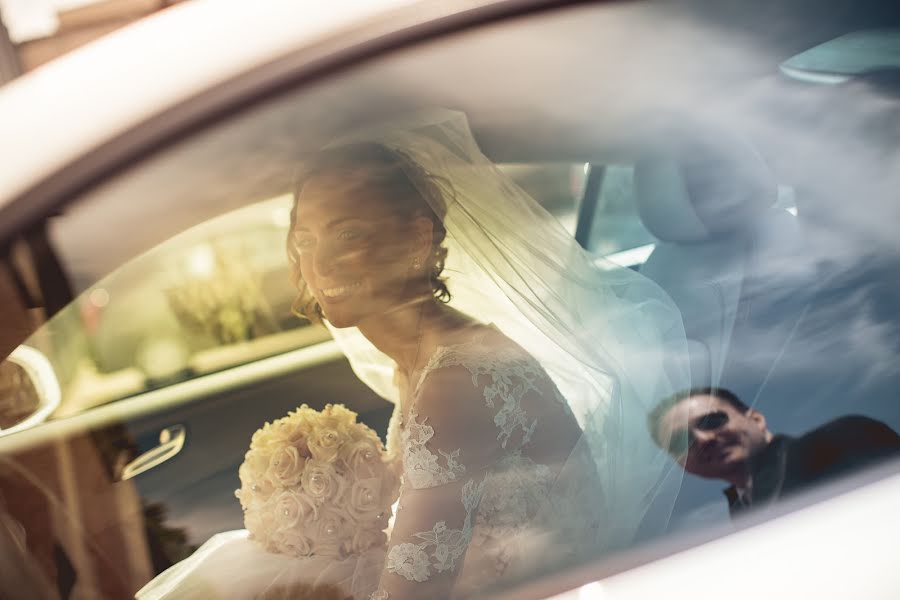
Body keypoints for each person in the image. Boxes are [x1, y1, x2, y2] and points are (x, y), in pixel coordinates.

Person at [141, 108, 691, 600]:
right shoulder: (427, 358)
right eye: (306, 240)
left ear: (417, 242)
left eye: (348, 235)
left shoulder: (457, 384)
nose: (320, 264)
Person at [649, 387, 900, 517]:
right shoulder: (739, 513)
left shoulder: (841, 441)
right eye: (682, 441)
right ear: (679, 462)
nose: (703, 439)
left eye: (711, 421)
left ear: (756, 420)